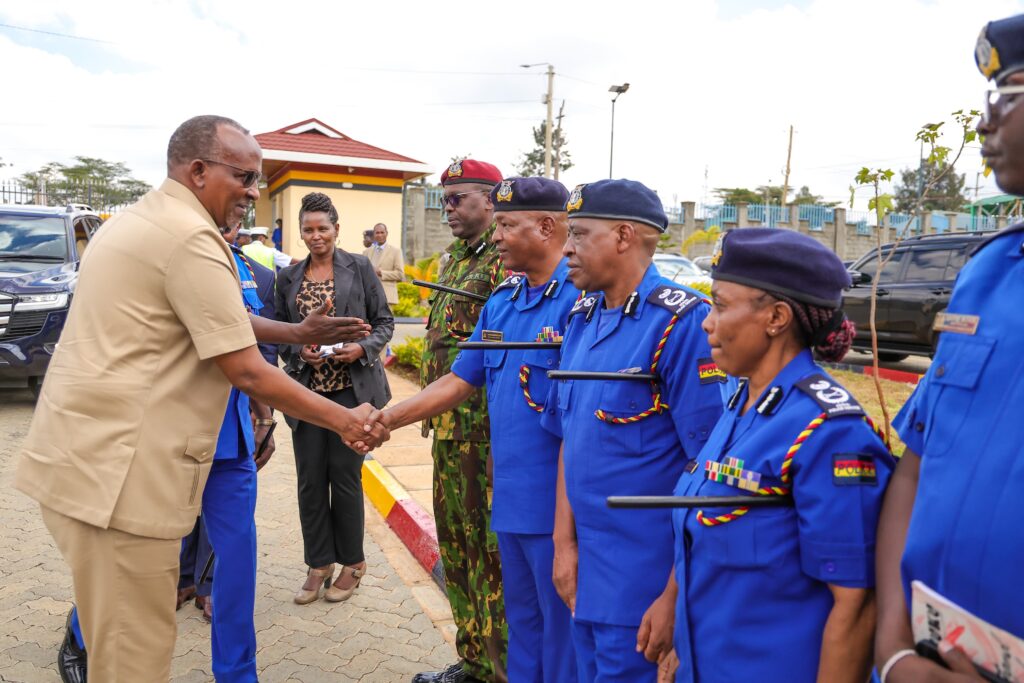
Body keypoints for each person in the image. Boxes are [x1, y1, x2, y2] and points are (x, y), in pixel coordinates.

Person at [16, 114, 389, 682]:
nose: (253, 192)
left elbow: (219, 319)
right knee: (131, 660)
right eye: (244, 177)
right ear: (197, 170)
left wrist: (295, 333)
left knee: (161, 613)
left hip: (88, 464)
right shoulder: (190, 238)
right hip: (123, 482)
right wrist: (347, 421)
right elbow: (246, 370)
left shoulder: (134, 223)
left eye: (259, 179)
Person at [660, 228, 894, 683]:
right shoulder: (740, 403)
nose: (707, 322)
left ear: (776, 317)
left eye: (722, 306)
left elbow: (856, 603)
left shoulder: (829, 431)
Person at [369, 177, 577, 682]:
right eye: (499, 225)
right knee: (522, 626)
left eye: (508, 225)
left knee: (563, 638)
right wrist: (386, 419)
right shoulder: (505, 299)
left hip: (558, 508)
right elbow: (461, 377)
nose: (499, 237)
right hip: (508, 498)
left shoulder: (580, 301)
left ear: (547, 226)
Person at [875, 15, 1024, 682]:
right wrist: (892, 646)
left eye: (1011, 93)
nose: (986, 123)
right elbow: (917, 461)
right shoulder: (986, 272)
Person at [538, 179, 729, 682]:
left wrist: (675, 596)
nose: (567, 247)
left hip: (644, 585)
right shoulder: (582, 317)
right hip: (585, 576)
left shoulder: (682, 324)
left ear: (623, 236)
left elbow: (708, 473)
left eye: (579, 234)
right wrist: (564, 546)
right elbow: (567, 438)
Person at [414, 159, 509, 683]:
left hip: (483, 431)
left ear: (490, 200)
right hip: (448, 429)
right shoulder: (454, 258)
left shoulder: (501, 261)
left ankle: (500, 668)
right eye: (444, 199)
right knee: (455, 544)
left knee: (486, 553)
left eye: (459, 199)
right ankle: (472, 659)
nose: (448, 208)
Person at [276, 192, 394, 605]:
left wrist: (362, 349)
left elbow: (384, 321)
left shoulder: (358, 267)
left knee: (344, 480)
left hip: (351, 395)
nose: (315, 236)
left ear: (336, 229)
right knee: (310, 482)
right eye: (307, 229)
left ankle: (353, 563)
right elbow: (279, 330)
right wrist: (297, 350)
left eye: (322, 228)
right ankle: (318, 564)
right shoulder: (288, 277)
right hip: (306, 396)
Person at [364, 222, 406, 309]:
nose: (379, 235)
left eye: (382, 232)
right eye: (377, 233)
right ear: (374, 234)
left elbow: (400, 274)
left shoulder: (396, 251)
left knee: (386, 322)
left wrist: (381, 273)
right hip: (369, 296)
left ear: (387, 233)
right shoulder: (366, 252)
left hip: (387, 297)